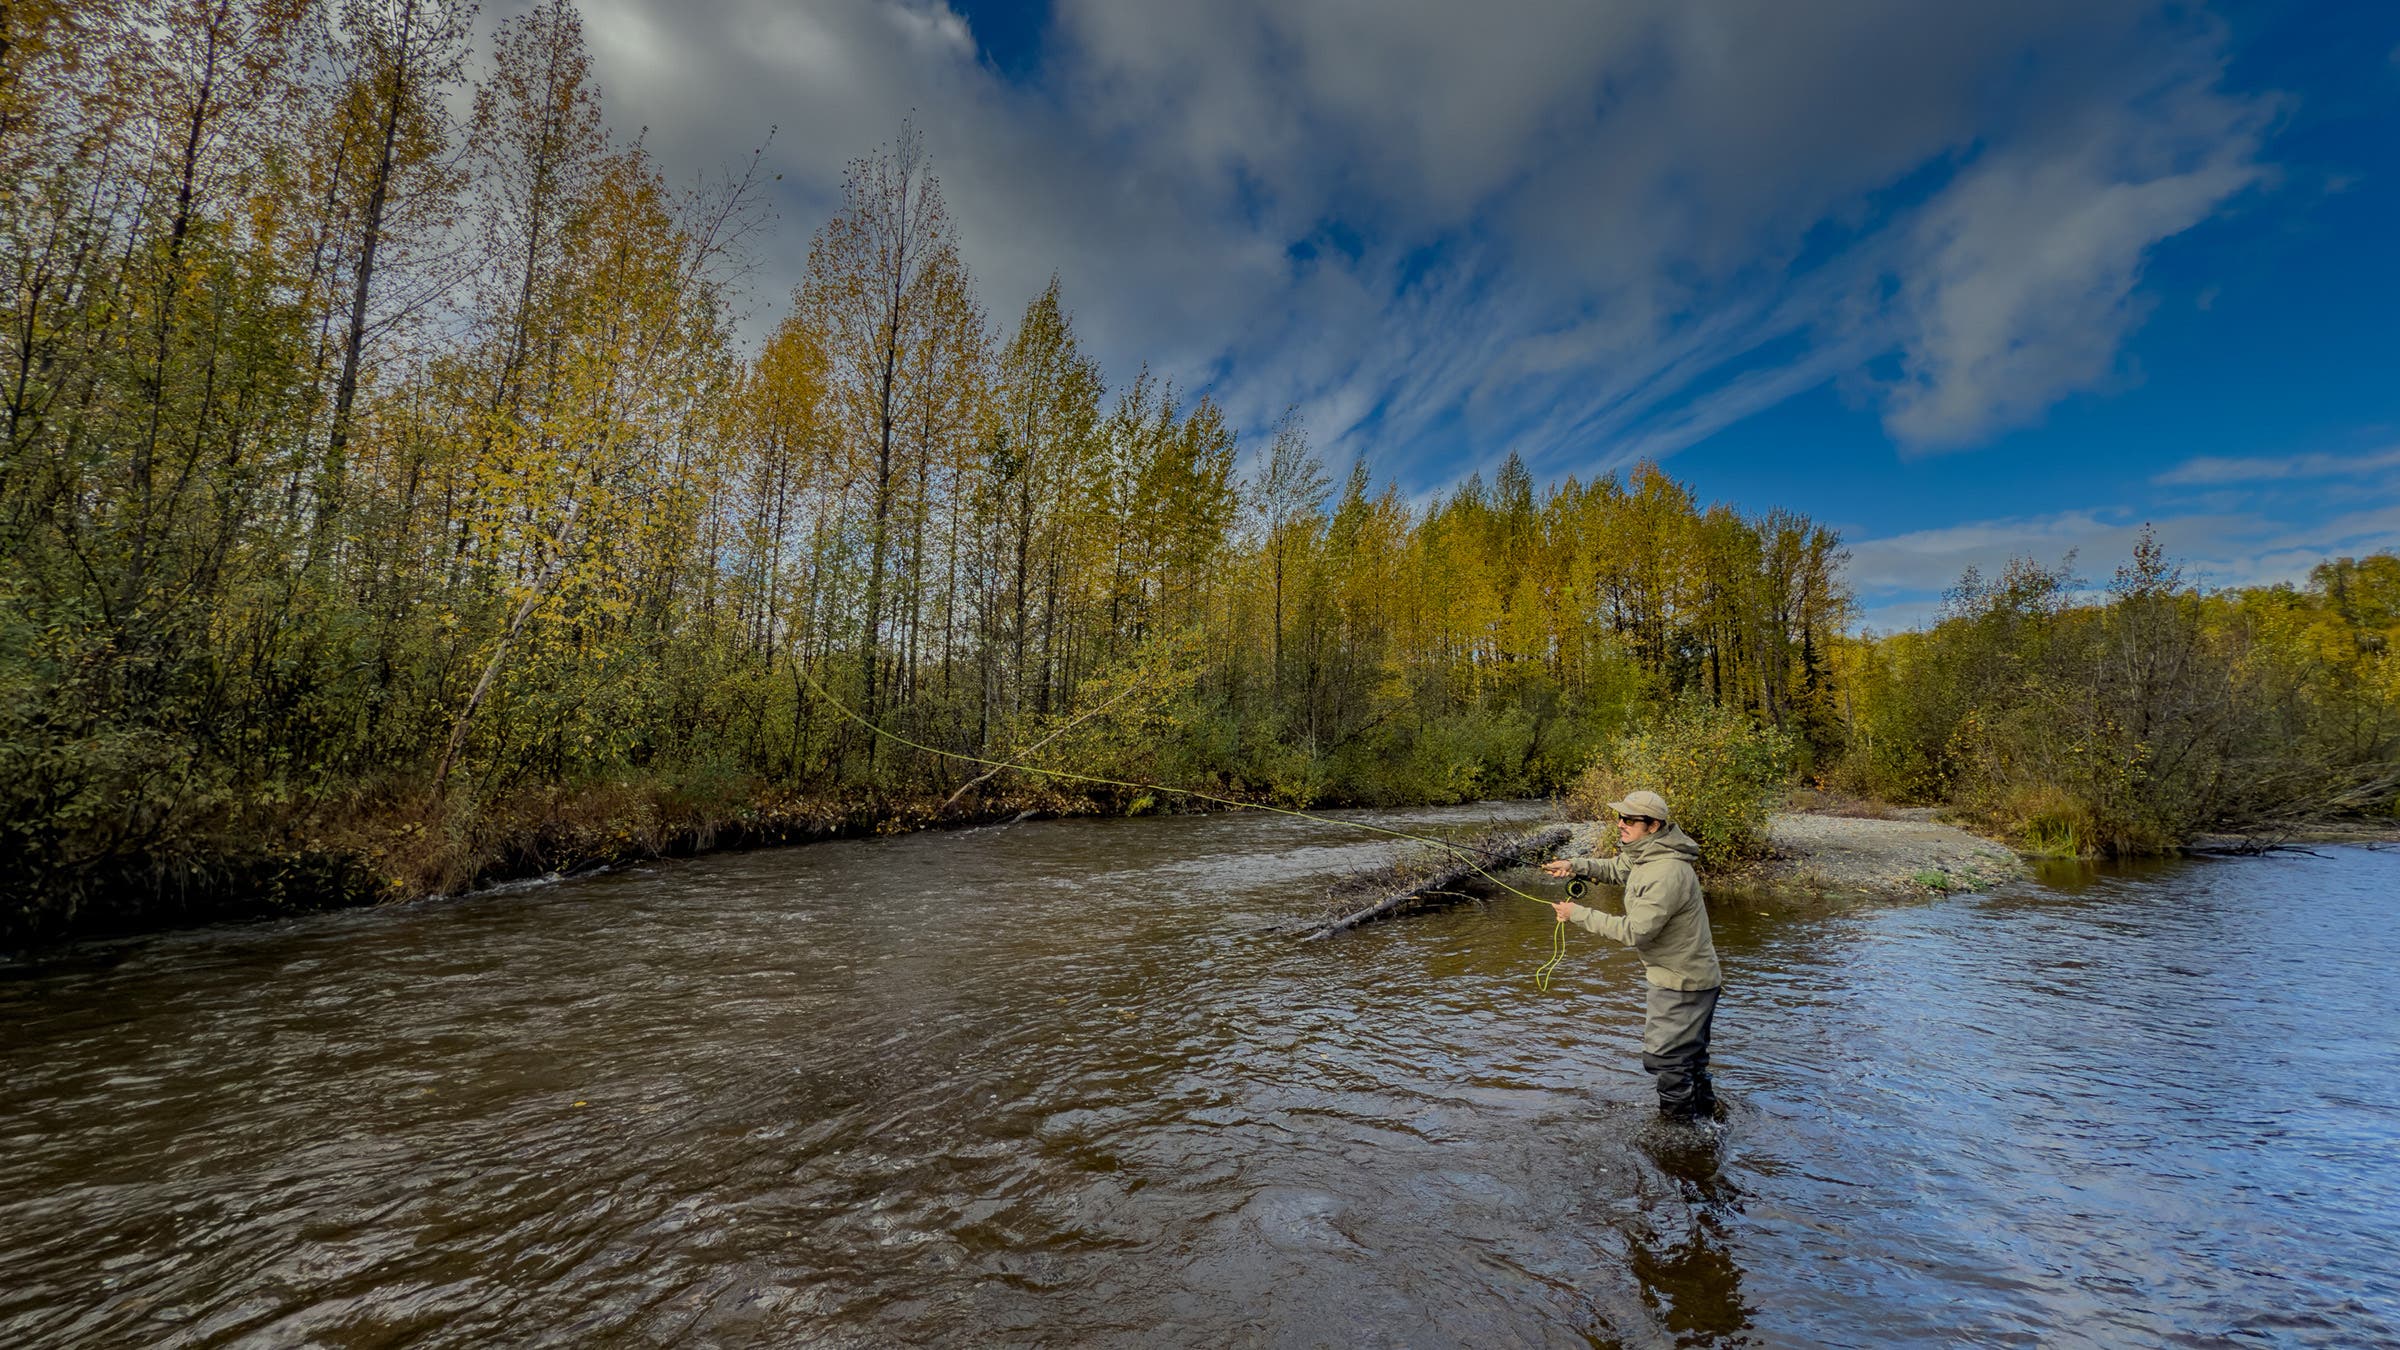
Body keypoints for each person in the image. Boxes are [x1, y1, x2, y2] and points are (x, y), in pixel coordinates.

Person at [1540, 790, 1722, 1121]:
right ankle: (1707, 1120)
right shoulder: (1647, 854)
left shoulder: (1666, 872)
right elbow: (1617, 869)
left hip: (1683, 982)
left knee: (1665, 1059)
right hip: (1686, 977)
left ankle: (1679, 1133)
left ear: (1653, 825)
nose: (1620, 824)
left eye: (1630, 819)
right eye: (1620, 817)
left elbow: (1635, 932)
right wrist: (1573, 866)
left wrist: (1577, 914)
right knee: (1688, 1058)